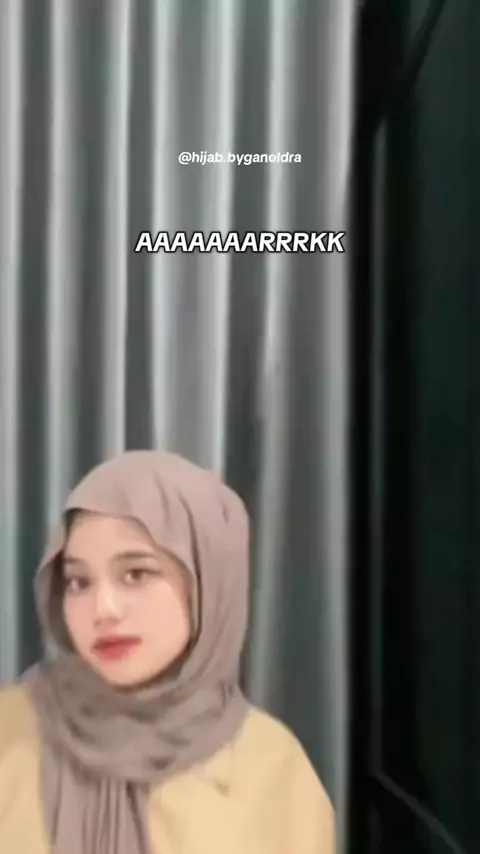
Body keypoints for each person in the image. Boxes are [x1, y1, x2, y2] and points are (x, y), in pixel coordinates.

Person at [0, 450, 335, 854]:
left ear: (205, 581)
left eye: (136, 574)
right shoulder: (12, 727)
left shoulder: (273, 768)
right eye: (78, 581)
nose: (103, 609)